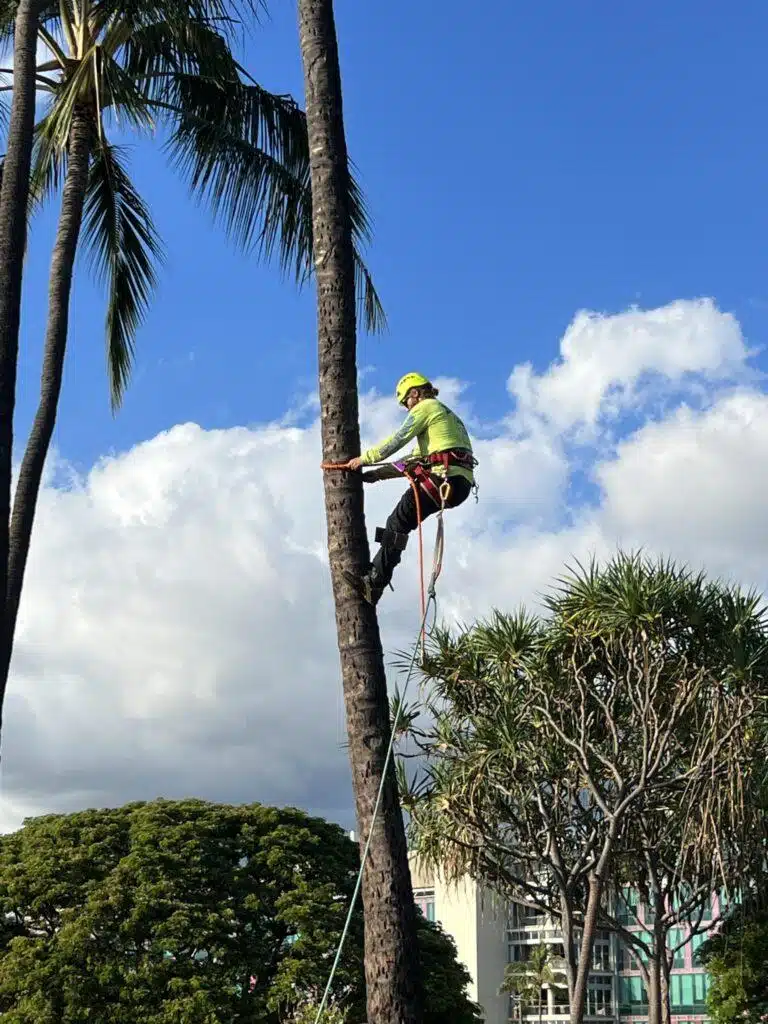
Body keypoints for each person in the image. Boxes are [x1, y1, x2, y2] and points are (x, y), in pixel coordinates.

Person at [343, 372, 476, 605]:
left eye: (406, 401)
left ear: (415, 393)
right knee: (399, 525)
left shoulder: (426, 408)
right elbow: (413, 458)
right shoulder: (446, 418)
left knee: (396, 524)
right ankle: (376, 573)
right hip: (459, 484)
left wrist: (365, 459)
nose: (407, 407)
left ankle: (374, 582)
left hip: (442, 480)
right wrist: (377, 475)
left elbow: (399, 438)